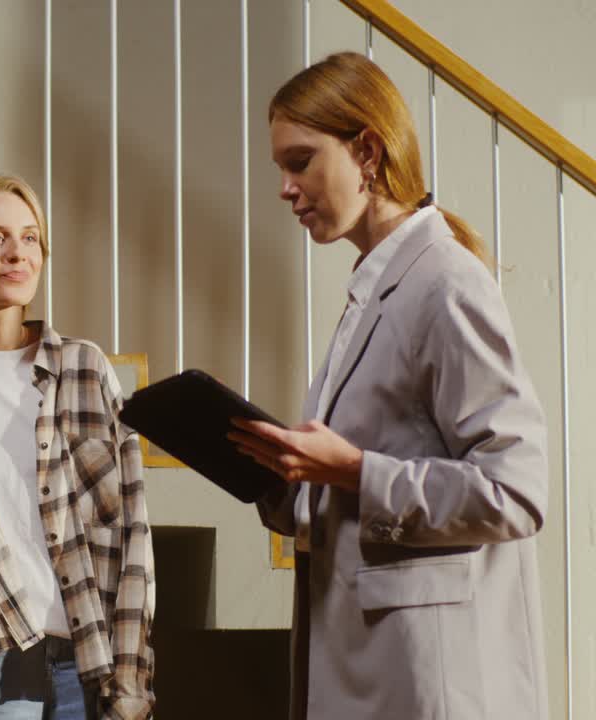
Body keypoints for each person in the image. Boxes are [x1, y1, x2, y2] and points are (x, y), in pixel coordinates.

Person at [227, 53, 549, 720]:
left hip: (427, 677)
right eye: (281, 168)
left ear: (367, 152)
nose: (286, 187)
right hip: (371, 663)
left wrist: (355, 473)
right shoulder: (374, 290)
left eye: (301, 162)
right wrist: (280, 478)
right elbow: (359, 478)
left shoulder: (446, 284)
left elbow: (516, 492)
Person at [0, 175, 156, 720]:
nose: (17, 254)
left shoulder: (84, 368)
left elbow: (132, 530)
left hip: (90, 651)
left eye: (30, 239)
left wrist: (132, 674)